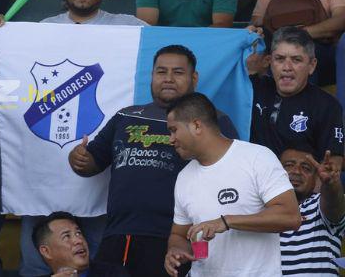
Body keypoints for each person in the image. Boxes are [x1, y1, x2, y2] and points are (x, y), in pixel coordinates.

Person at [68, 45, 238, 276]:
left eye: (178, 72)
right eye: (161, 72)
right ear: (151, 76)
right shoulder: (126, 116)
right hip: (122, 233)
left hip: (181, 238)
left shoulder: (213, 120)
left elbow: (231, 176)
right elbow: (91, 163)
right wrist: (77, 158)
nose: (168, 79)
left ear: (194, 78)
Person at [165, 93, 302, 277]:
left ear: (197, 125)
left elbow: (291, 217)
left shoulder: (257, 158)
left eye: (174, 130)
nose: (170, 139)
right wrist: (175, 250)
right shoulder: (184, 177)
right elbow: (179, 235)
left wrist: (227, 221)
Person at [246, 27, 345, 166]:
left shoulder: (327, 106)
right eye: (279, 59)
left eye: (296, 60)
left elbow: (332, 162)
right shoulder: (250, 90)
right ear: (270, 62)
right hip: (251, 182)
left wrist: (326, 179)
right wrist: (240, 38)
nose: (287, 67)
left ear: (311, 65)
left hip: (299, 185)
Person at [278, 146, 345, 275]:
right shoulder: (261, 211)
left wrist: (331, 183)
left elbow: (333, 203)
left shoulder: (319, 205)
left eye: (306, 168)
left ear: (316, 179)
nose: (296, 171)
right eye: (289, 165)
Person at [31, 212, 129, 277]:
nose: (78, 240)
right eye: (66, 236)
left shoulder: (114, 273)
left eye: (78, 233)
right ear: (46, 251)